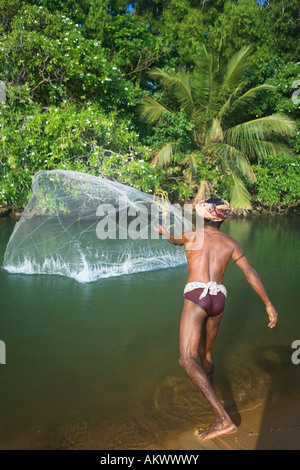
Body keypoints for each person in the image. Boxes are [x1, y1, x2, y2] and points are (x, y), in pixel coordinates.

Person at [154, 197, 278, 441]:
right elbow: (249, 273)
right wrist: (268, 304)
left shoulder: (192, 235)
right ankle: (207, 387)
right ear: (222, 219)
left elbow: (173, 239)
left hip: (197, 295)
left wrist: (162, 231)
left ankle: (223, 419)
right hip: (218, 299)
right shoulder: (231, 243)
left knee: (186, 359)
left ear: (203, 216)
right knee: (206, 353)